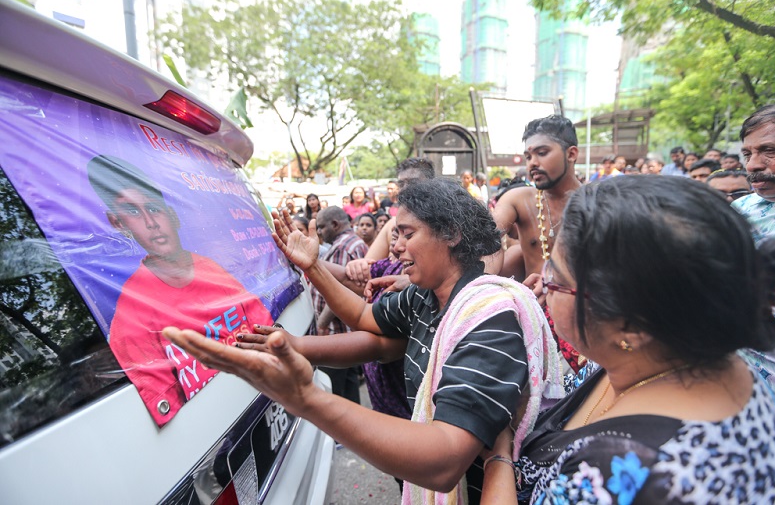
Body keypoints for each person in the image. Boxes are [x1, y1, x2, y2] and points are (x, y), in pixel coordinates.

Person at [164, 178, 563, 504]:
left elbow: (443, 462)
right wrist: (313, 267)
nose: (395, 245)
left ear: (452, 235)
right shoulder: (426, 295)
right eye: (395, 233)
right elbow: (362, 318)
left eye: (406, 233)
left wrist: (306, 399)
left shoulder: (488, 318)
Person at [482, 175, 775, 503]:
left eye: (556, 279)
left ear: (632, 325)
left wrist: (498, 453)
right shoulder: (681, 349)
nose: (540, 285)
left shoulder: (627, 469)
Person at [87, 154, 273, 426]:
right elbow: (173, 416)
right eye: (133, 212)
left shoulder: (213, 269)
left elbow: (266, 332)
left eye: (154, 208)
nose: (151, 222)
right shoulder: (131, 314)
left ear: (172, 214)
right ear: (118, 223)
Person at [489, 115, 586, 373]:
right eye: (528, 156)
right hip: (531, 318)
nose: (533, 163)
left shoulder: (596, 203)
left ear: (572, 154)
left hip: (582, 322)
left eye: (542, 153)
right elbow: (485, 237)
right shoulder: (519, 199)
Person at [733, 100, 775, 423]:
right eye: (747, 154)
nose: (753, 165)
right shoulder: (739, 211)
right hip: (736, 388)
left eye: (769, 150)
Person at [344, 157, 436, 286]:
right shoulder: (392, 225)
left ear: (431, 184)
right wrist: (357, 266)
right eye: (401, 184)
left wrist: (411, 283)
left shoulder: (439, 225)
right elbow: (366, 273)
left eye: (413, 182)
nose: (405, 189)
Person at [310, 206, 369, 403]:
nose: (318, 233)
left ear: (334, 225)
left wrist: (322, 324)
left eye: (321, 227)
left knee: (337, 396)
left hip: (336, 333)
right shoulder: (354, 242)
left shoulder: (342, 247)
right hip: (347, 332)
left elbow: (337, 290)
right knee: (349, 391)